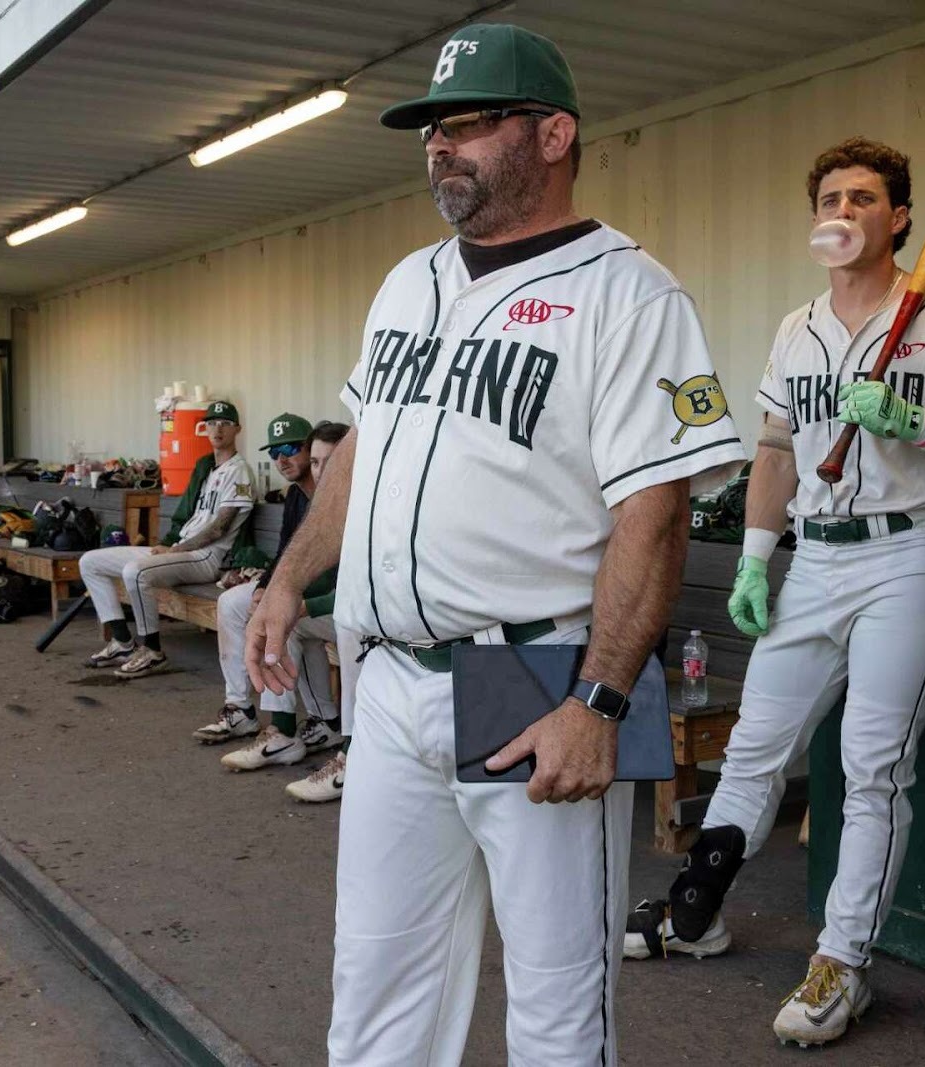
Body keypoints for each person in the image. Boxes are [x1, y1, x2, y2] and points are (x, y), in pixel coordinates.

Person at [244, 24, 745, 1065]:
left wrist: (600, 700)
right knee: (377, 972)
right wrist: (290, 578)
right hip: (390, 673)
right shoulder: (408, 280)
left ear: (553, 132)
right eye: (432, 129)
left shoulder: (629, 291)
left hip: (538, 667)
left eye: (469, 124)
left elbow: (655, 512)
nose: (441, 147)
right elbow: (358, 454)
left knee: (559, 1000)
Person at [624, 136, 925, 1048]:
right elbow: (772, 448)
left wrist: (920, 422)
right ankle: (697, 910)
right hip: (817, 554)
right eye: (831, 199)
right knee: (756, 742)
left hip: (911, 550)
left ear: (902, 216)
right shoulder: (797, 326)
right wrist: (759, 554)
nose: (843, 212)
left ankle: (845, 960)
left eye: (864, 198)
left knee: (873, 764)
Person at [195, 417, 348, 776]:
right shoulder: (297, 495)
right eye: (276, 453)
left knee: (286, 621)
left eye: (291, 449)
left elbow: (344, 582)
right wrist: (267, 586)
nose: (282, 459)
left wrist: (290, 601)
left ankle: (310, 727)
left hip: (342, 604)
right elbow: (285, 554)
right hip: (312, 594)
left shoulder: (347, 498)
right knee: (233, 602)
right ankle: (241, 709)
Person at [79, 399, 255, 679]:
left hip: (208, 557)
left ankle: (152, 651)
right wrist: (172, 547)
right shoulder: (209, 470)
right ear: (204, 429)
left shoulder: (239, 470)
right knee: (90, 562)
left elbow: (219, 528)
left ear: (238, 430)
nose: (217, 429)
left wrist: (175, 549)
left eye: (225, 424)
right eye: (211, 423)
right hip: (182, 551)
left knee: (135, 572)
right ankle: (124, 643)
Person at [283, 425, 361, 804]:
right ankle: (295, 729)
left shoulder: (368, 505)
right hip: (345, 608)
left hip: (382, 620)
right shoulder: (312, 504)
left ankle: (350, 753)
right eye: (314, 462)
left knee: (349, 626)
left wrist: (306, 603)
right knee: (292, 627)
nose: (320, 471)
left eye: (330, 462)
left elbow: (359, 587)